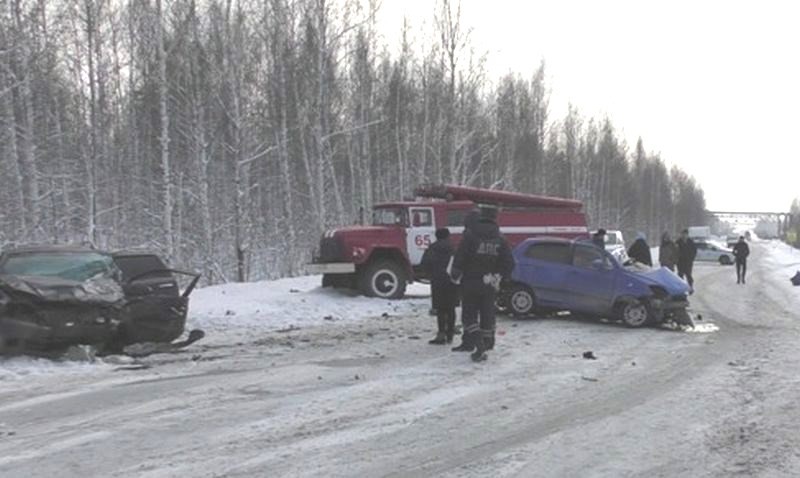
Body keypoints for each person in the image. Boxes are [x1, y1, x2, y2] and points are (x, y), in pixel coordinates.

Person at [450, 206, 514, 362]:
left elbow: (461, 256)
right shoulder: (500, 238)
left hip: (470, 281)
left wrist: (455, 272)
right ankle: (487, 342)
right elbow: (509, 263)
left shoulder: (470, 235)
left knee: (469, 316)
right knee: (487, 313)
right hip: (490, 282)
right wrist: (500, 276)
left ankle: (477, 345)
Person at [421, 228, 459, 344]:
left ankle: (441, 334)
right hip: (452, 281)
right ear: (448, 236)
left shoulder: (432, 248)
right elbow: (459, 263)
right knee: (451, 308)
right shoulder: (453, 248)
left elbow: (425, 263)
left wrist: (431, 274)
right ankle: (450, 334)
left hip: (437, 281)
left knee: (441, 309)